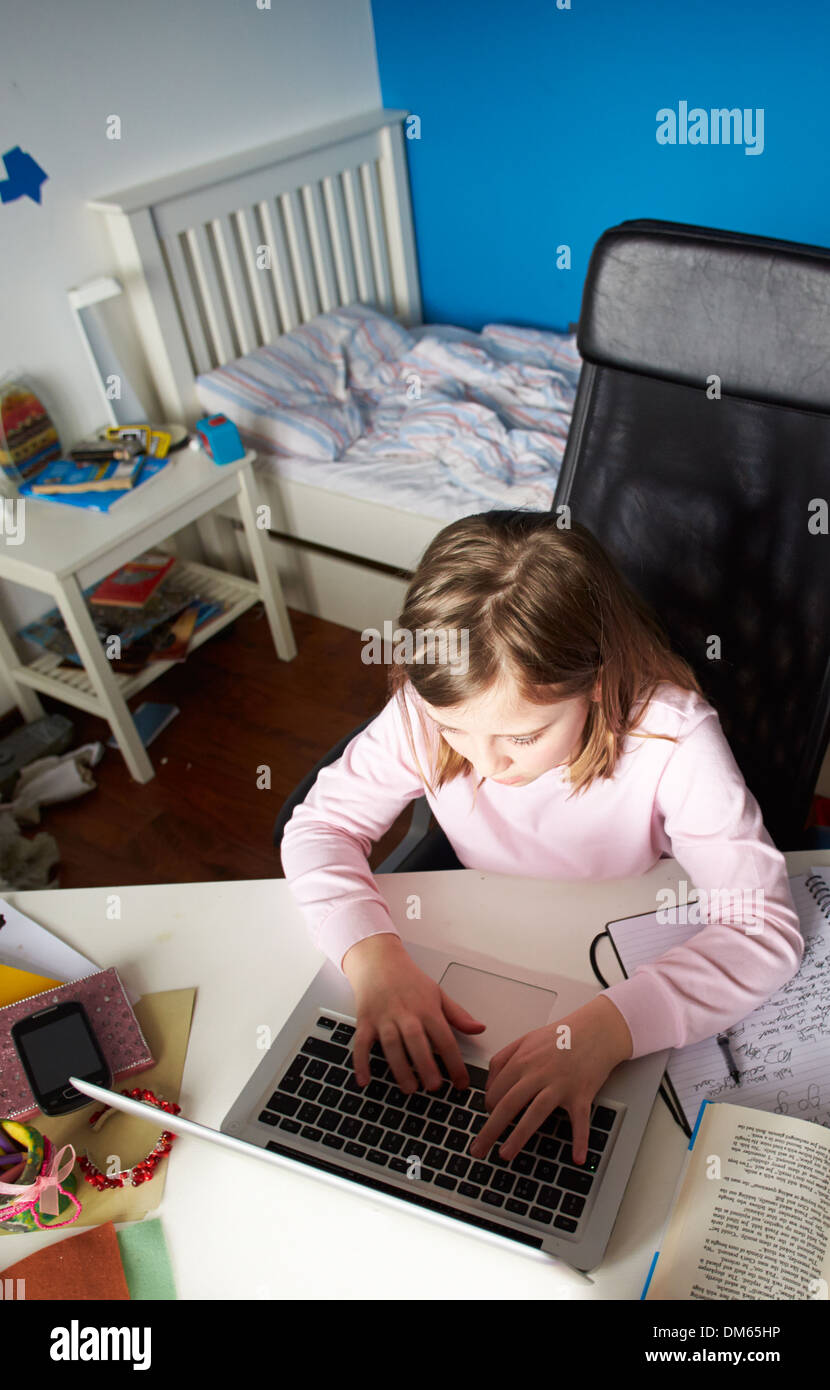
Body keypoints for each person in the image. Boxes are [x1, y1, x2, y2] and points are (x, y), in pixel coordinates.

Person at [280, 511, 803, 1166]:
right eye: (454, 731)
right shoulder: (423, 710)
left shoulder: (672, 734)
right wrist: (373, 957)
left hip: (619, 925)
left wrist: (612, 1029)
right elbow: (321, 824)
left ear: (597, 682)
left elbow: (761, 927)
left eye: (523, 736)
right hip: (486, 928)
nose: (486, 764)